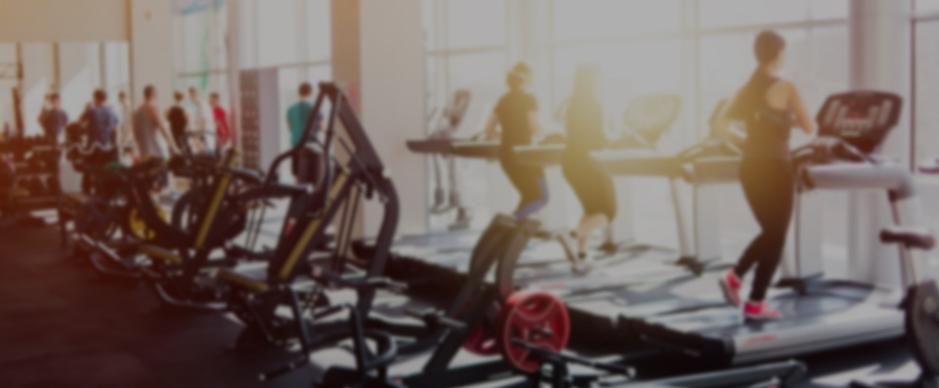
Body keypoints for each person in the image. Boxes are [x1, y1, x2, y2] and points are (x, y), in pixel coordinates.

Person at [718, 30, 816, 321]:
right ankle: (754, 301)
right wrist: (790, 120)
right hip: (775, 167)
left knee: (770, 233)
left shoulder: (744, 90)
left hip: (749, 166)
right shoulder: (787, 88)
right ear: (778, 54)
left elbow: (721, 127)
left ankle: (737, 280)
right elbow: (811, 127)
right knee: (776, 235)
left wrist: (748, 143)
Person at [560, 64, 616, 268]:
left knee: (590, 209)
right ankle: (573, 235)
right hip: (587, 161)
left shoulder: (572, 104)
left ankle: (581, 256)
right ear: (593, 82)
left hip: (569, 161)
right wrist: (614, 141)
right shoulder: (594, 104)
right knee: (608, 212)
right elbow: (598, 139)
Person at [483, 62, 549, 220]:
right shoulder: (529, 99)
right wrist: (547, 133)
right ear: (526, 78)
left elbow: (488, 131)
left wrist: (508, 135)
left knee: (528, 196)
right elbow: (534, 128)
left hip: (506, 155)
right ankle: (512, 222)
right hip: (525, 156)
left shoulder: (503, 100)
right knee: (540, 197)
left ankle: (513, 232)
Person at [286, 82, 323, 182]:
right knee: (312, 177)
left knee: (297, 175)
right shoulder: (314, 109)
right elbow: (321, 127)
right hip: (310, 147)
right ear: (311, 93)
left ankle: (296, 196)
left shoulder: (290, 109)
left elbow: (290, 128)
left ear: (298, 92)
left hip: (295, 145)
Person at [133, 85, 179, 160]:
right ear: (153, 94)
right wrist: (174, 146)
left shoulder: (138, 110)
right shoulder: (152, 107)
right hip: (153, 151)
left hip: (143, 151)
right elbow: (163, 128)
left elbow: (135, 132)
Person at [188, 87, 213, 152]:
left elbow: (205, 121)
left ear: (197, 94)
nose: (191, 97)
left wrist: (198, 137)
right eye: (190, 95)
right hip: (201, 135)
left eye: (192, 95)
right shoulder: (198, 105)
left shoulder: (202, 105)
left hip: (203, 136)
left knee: (204, 155)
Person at [117, 91, 136, 160]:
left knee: (127, 150)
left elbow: (130, 122)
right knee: (126, 149)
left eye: (119, 98)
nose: (118, 100)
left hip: (128, 133)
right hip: (126, 132)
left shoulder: (128, 107)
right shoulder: (124, 107)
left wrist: (128, 134)